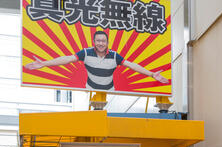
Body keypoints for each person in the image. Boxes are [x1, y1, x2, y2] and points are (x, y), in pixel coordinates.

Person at [25, 30, 169, 91]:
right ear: (94, 41)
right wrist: (44, 63)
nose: (101, 43)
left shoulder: (114, 56)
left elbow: (132, 65)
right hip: (91, 88)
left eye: (103, 41)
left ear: (107, 43)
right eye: (98, 41)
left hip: (111, 90)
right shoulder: (86, 53)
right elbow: (67, 59)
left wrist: (151, 74)